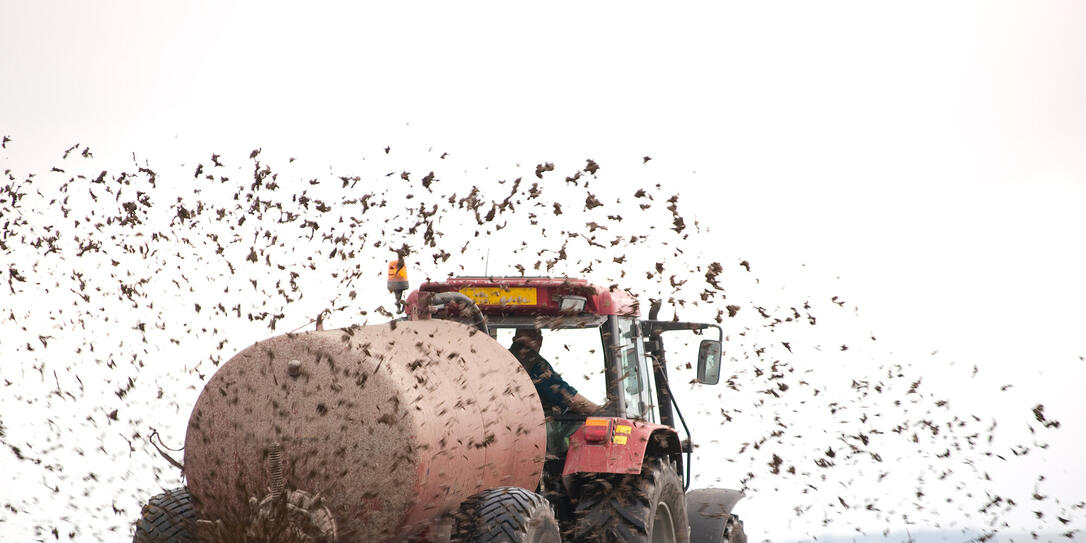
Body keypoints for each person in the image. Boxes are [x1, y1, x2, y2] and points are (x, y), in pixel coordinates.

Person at [509, 328, 600, 415]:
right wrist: (599, 410)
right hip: (526, 424)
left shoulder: (502, 359)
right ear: (540, 341)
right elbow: (566, 396)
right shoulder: (534, 364)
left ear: (514, 339)